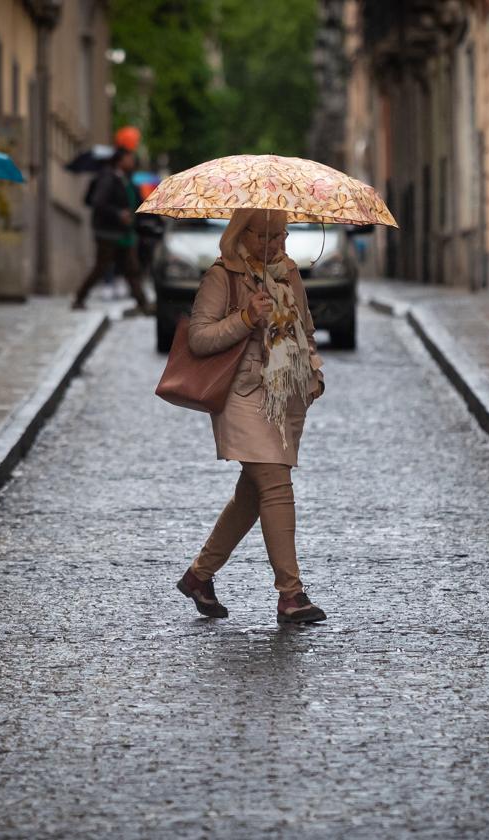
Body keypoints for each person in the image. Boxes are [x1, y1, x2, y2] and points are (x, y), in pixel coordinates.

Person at [176, 208, 328, 624]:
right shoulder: (221, 276)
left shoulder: (288, 274)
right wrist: (245, 318)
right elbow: (199, 337)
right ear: (242, 236)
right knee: (275, 484)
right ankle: (291, 595)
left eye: (282, 235)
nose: (277, 244)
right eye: (266, 236)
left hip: (286, 395)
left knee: (252, 492)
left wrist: (314, 373)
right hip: (242, 394)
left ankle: (199, 576)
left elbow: (307, 330)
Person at [73, 148, 151, 312]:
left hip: (124, 232)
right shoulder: (108, 177)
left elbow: (134, 200)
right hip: (108, 232)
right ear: (120, 160)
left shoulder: (126, 179)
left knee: (131, 268)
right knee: (101, 267)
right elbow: (98, 202)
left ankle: (142, 303)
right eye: (129, 158)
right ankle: (79, 298)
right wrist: (118, 213)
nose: (132, 161)